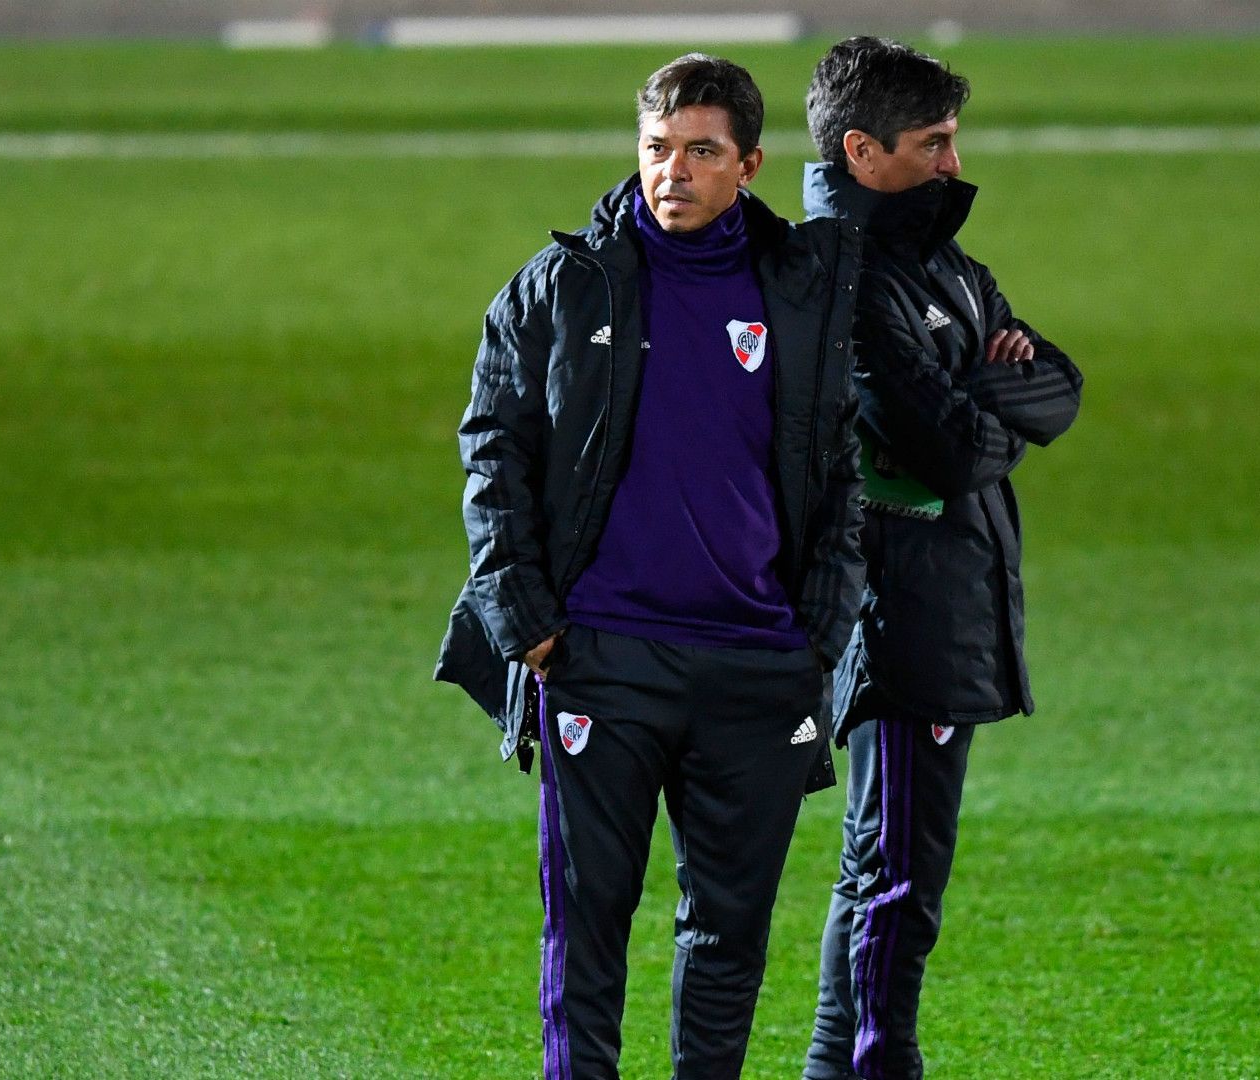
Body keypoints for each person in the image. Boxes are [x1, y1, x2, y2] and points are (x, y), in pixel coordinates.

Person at [433, 54, 867, 1080]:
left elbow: (841, 475)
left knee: (727, 938)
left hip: (757, 667)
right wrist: (526, 619)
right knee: (587, 931)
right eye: (657, 150)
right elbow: (489, 451)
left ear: (750, 164)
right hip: (602, 656)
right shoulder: (558, 287)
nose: (672, 171)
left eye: (701, 152)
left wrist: (818, 636)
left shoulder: (800, 294)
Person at [797, 37, 1084, 1080]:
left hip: (946, 599)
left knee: (892, 869)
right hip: (900, 610)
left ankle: (853, 1066)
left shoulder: (942, 265)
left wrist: (978, 395)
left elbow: (1060, 381)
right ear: (863, 151)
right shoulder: (851, 277)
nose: (956, 163)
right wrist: (985, 396)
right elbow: (954, 449)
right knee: (895, 876)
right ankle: (870, 1068)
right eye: (936, 143)